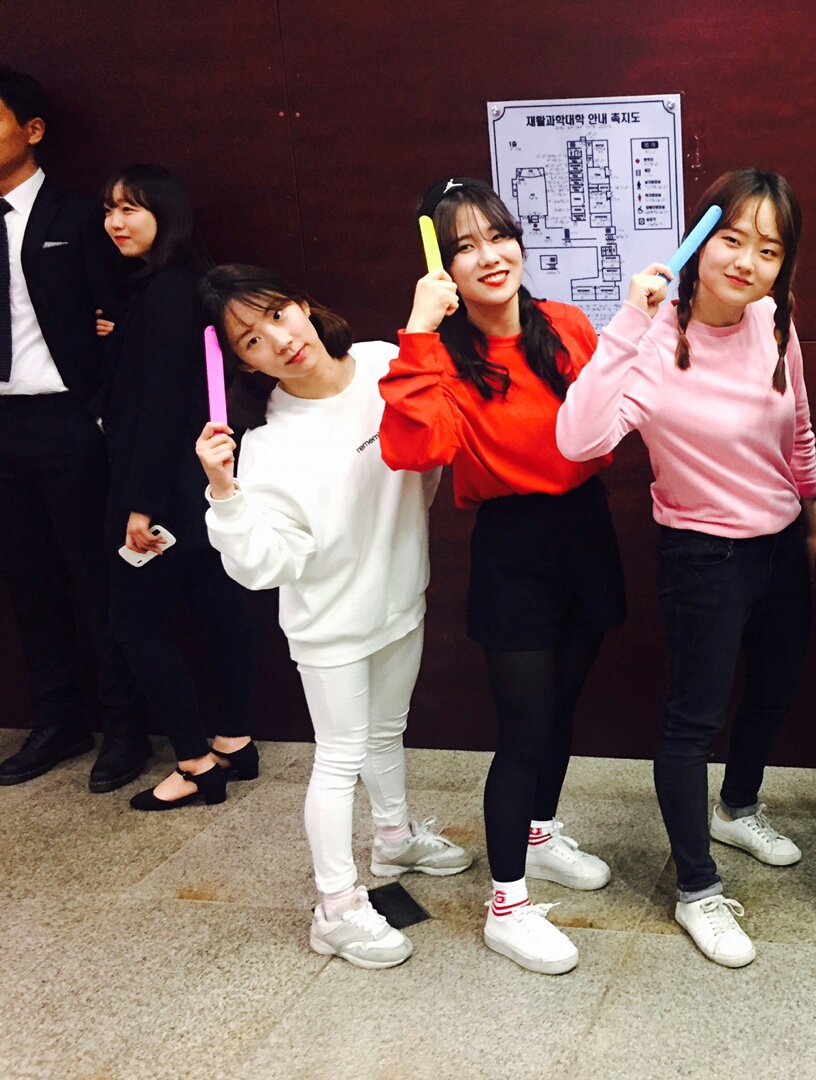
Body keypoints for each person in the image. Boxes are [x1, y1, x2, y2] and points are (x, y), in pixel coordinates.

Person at [556, 168, 816, 968]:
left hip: (782, 543)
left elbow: (799, 428)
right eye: (732, 239)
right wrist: (626, 322)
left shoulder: (773, 319)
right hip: (703, 555)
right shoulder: (650, 340)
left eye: (769, 249)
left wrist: (812, 523)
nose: (747, 262)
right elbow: (579, 440)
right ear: (698, 241)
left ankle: (736, 808)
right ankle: (696, 889)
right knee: (692, 720)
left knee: (775, 687)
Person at [379, 177, 624, 976]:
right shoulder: (444, 356)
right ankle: (506, 907)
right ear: (442, 266)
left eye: (498, 235)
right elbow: (414, 450)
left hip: (585, 529)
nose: (489, 256)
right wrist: (420, 330)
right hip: (512, 546)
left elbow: (609, 423)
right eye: (464, 246)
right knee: (524, 727)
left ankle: (539, 834)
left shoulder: (566, 324)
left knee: (565, 706)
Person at [195, 265, 471, 969]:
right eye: (251, 340)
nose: (279, 339)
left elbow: (431, 449)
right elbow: (263, 565)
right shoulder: (268, 446)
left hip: (400, 597)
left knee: (387, 731)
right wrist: (225, 492)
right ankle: (337, 908)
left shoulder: (384, 363)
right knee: (339, 756)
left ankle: (394, 838)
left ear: (303, 305)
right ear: (244, 364)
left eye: (277, 314)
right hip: (330, 626)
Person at [0, 65, 150, 792]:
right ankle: (56, 720)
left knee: (95, 579)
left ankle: (125, 728)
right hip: (2, 424)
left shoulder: (78, 215)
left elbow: (123, 309)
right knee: (27, 583)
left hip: (68, 420)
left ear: (32, 131)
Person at [98, 165, 257, 809]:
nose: (115, 222)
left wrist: (141, 503)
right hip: (203, 482)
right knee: (220, 610)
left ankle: (195, 764)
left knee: (133, 624)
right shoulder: (188, 284)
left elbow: (158, 405)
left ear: (166, 214)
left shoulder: (164, 290)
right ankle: (235, 741)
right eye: (109, 210)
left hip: (162, 488)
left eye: (130, 209)